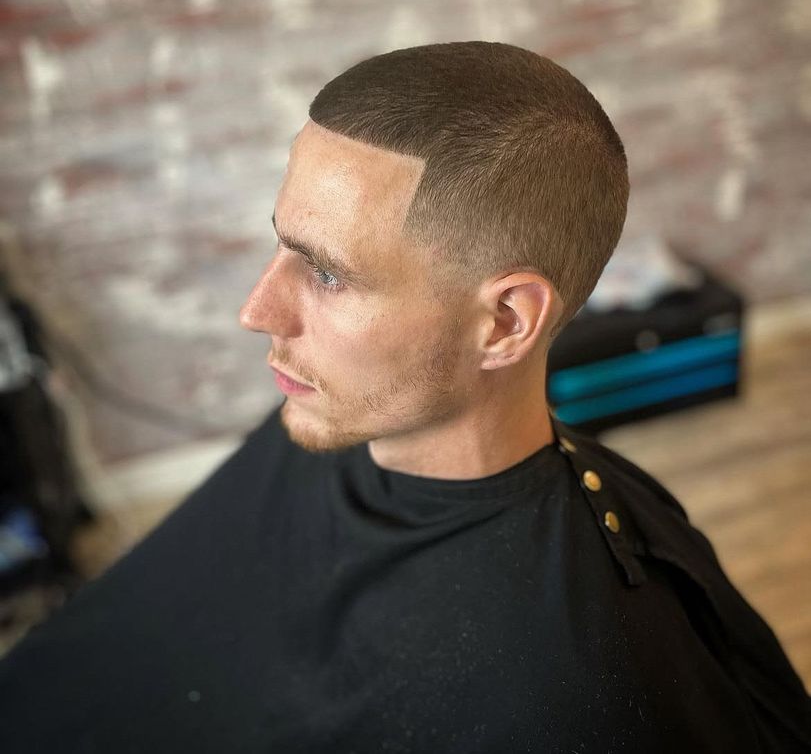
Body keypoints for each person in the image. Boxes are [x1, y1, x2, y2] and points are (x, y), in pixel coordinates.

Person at [1, 41, 809, 752]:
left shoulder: (570, 696)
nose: (256, 311)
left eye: (326, 273)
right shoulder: (322, 422)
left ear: (503, 323)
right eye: (283, 247)